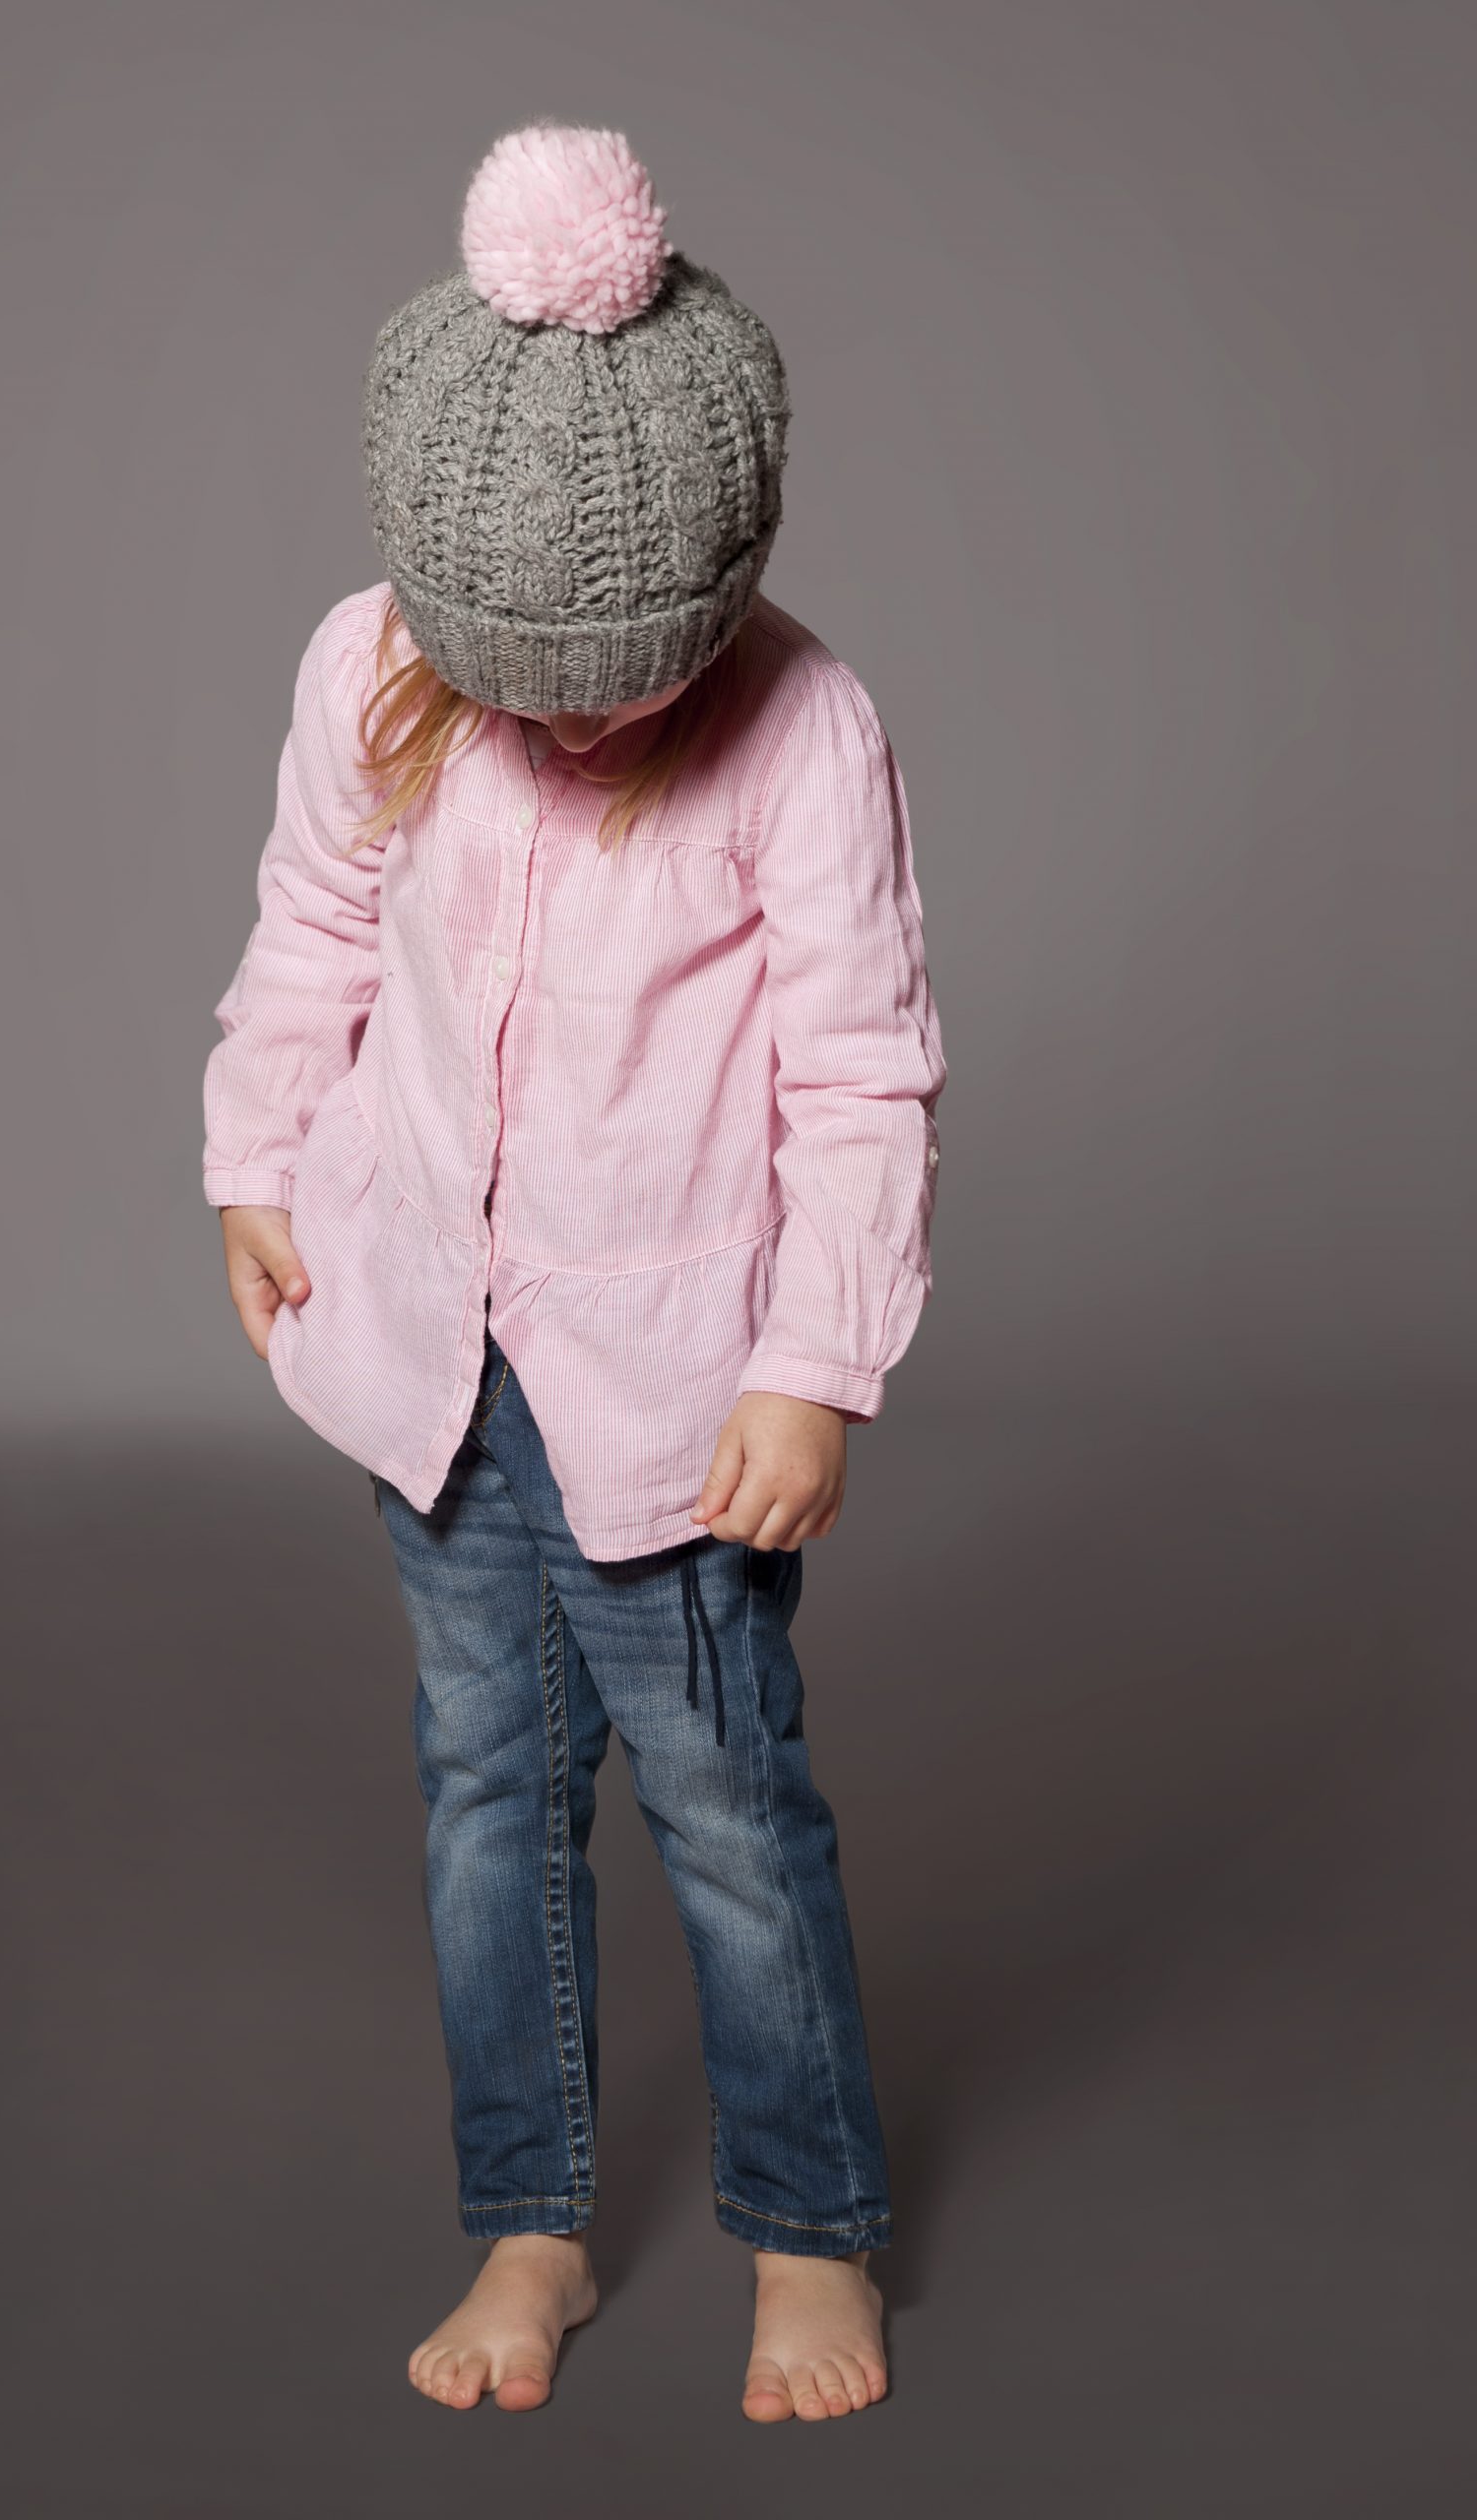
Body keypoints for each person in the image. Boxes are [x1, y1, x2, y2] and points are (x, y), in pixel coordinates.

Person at [202, 120, 947, 2424]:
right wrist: (254, 1152)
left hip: (677, 1385)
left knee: (725, 1805)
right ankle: (528, 2212)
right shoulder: (368, 666)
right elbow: (313, 926)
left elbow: (861, 1067)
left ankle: (807, 2226)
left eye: (620, 682)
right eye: (519, 678)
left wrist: (815, 1361)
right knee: (483, 1795)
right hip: (430, 1344)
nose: (571, 722)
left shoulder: (801, 730)